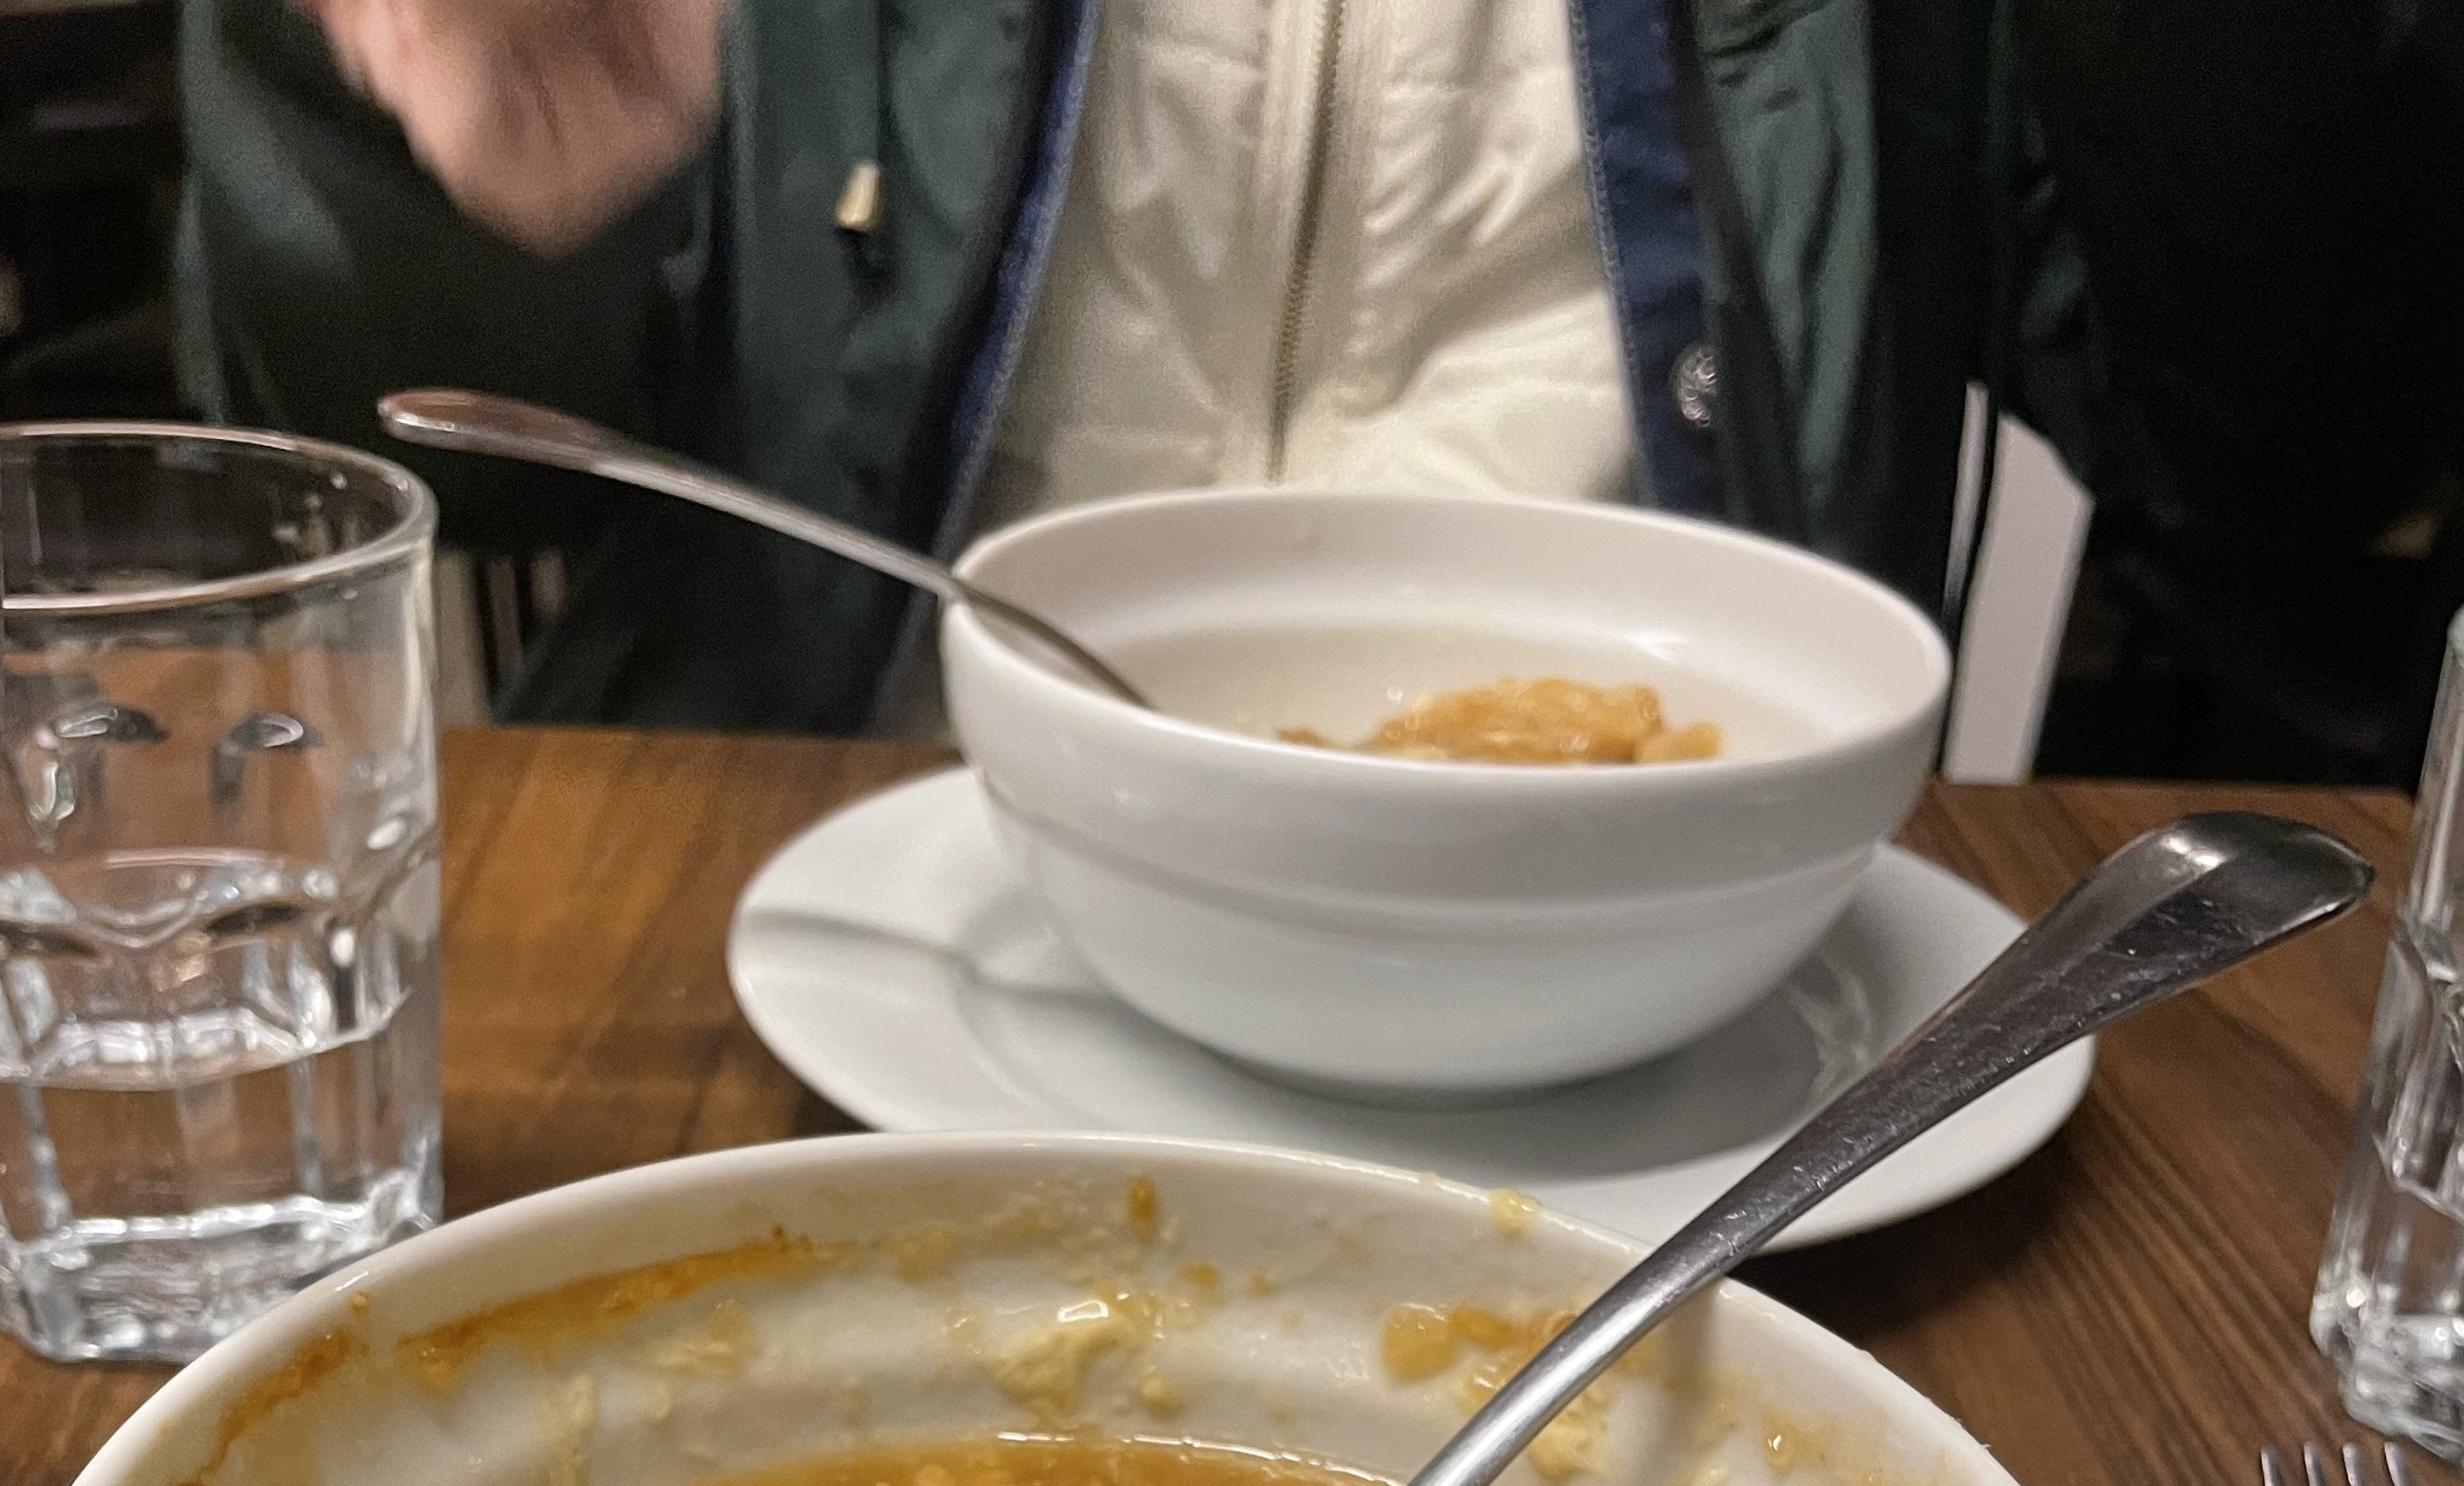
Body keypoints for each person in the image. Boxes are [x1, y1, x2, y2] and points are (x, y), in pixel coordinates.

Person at [177, 0, 2464, 775]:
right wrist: (393, 124)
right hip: (841, 900)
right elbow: (368, 461)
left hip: (1656, 1008)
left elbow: (2287, 479)